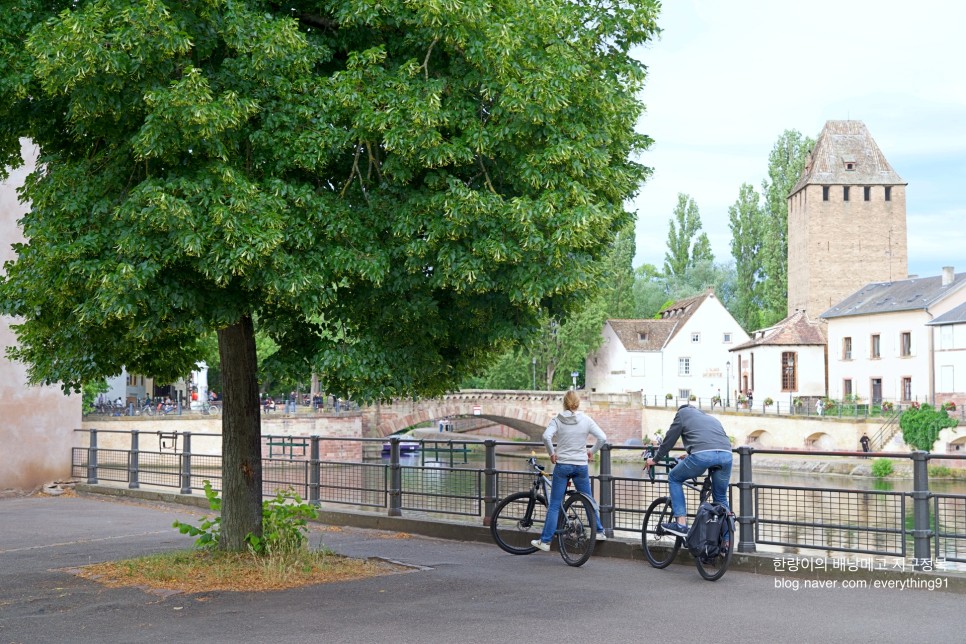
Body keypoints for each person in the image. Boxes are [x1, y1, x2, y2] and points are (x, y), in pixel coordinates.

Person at [530, 390, 608, 551]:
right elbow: (602, 438)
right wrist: (591, 452)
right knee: (589, 500)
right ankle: (599, 531)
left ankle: (545, 541)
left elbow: (546, 436)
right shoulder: (586, 420)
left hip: (563, 465)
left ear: (564, 403)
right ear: (578, 403)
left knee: (555, 504)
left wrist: (552, 453)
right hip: (581, 466)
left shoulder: (558, 420)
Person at [645, 404, 733, 538]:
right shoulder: (711, 418)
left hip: (702, 456)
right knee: (720, 498)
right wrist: (691, 454)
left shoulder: (682, 414)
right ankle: (727, 542)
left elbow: (669, 440)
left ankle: (681, 523)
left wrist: (655, 459)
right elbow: (710, 441)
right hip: (726, 455)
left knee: (674, 477)